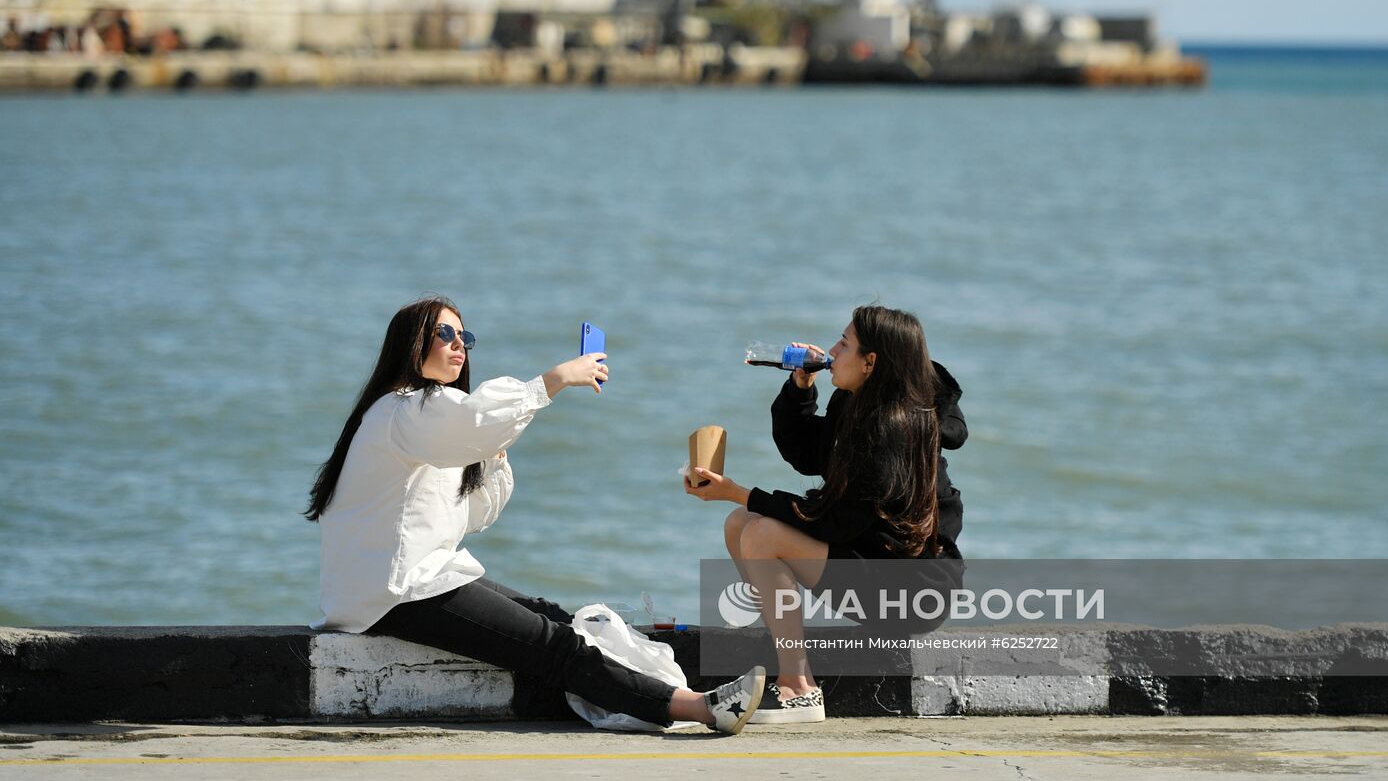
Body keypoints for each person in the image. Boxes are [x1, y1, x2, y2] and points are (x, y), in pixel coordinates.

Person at [307, 295, 765, 734]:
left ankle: (661, 695)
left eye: (464, 337)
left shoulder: (421, 417)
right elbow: (474, 421)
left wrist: (492, 455)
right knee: (553, 645)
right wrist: (555, 379)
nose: (457, 345)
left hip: (415, 577)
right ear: (410, 342)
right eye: (444, 333)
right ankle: (702, 709)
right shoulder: (405, 408)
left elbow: (466, 514)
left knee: (554, 618)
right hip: (394, 591)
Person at [684, 305, 966, 725]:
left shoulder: (892, 428)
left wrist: (739, 492)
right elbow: (808, 455)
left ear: (871, 362)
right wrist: (801, 386)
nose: (832, 349)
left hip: (913, 593)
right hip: (874, 566)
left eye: (844, 343)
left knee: (760, 532)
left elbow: (833, 521)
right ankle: (788, 656)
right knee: (739, 525)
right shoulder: (856, 402)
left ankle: (799, 689)